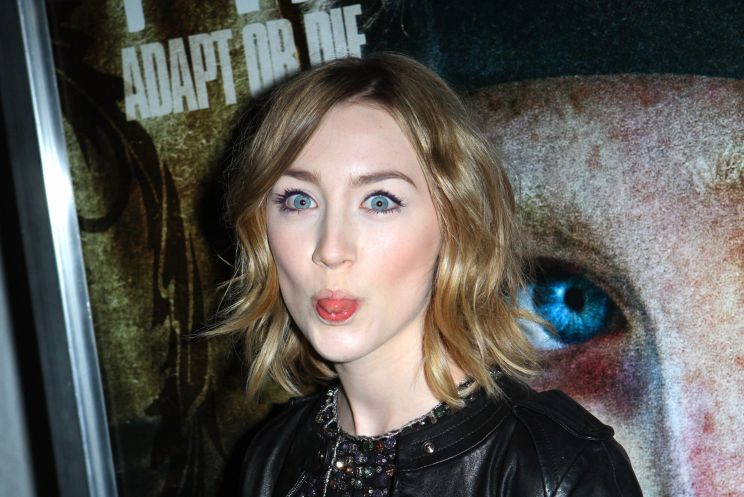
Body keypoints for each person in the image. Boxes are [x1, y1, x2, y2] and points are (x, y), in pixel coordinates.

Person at [214, 53, 643, 497]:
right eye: (299, 200)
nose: (331, 250)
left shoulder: (555, 470)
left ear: (455, 225)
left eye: (379, 202)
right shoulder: (270, 458)